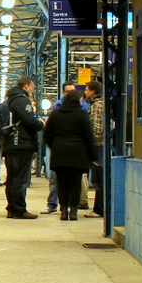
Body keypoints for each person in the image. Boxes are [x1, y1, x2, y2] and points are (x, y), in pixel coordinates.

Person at [43, 89, 96, 220]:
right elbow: (89, 137)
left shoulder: (55, 114)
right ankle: (73, 211)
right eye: (81, 99)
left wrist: (55, 145)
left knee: (62, 183)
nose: (82, 101)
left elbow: (47, 135)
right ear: (77, 100)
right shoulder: (82, 114)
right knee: (75, 183)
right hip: (78, 152)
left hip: (59, 151)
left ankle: (63, 211)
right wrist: (93, 156)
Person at [2, 75, 45, 219]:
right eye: (32, 87)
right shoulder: (21, 100)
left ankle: (12, 208)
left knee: (13, 178)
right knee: (20, 179)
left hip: (11, 143)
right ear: (26, 86)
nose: (32, 90)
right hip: (21, 143)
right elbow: (29, 121)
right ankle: (19, 210)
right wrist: (40, 124)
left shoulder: (11, 99)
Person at [43, 82, 80, 214]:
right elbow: (48, 132)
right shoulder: (58, 108)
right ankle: (56, 205)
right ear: (63, 93)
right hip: (68, 151)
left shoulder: (82, 108)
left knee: (72, 181)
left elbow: (47, 134)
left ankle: (68, 208)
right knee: (58, 180)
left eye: (73, 91)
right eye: (68, 91)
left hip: (67, 151)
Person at [84, 79, 105, 218]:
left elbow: (97, 128)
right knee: (99, 178)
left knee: (98, 179)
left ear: (93, 91)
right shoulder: (98, 104)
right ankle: (100, 208)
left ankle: (99, 209)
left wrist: (90, 145)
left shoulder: (97, 105)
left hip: (98, 147)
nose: (85, 92)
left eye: (87, 89)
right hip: (100, 146)